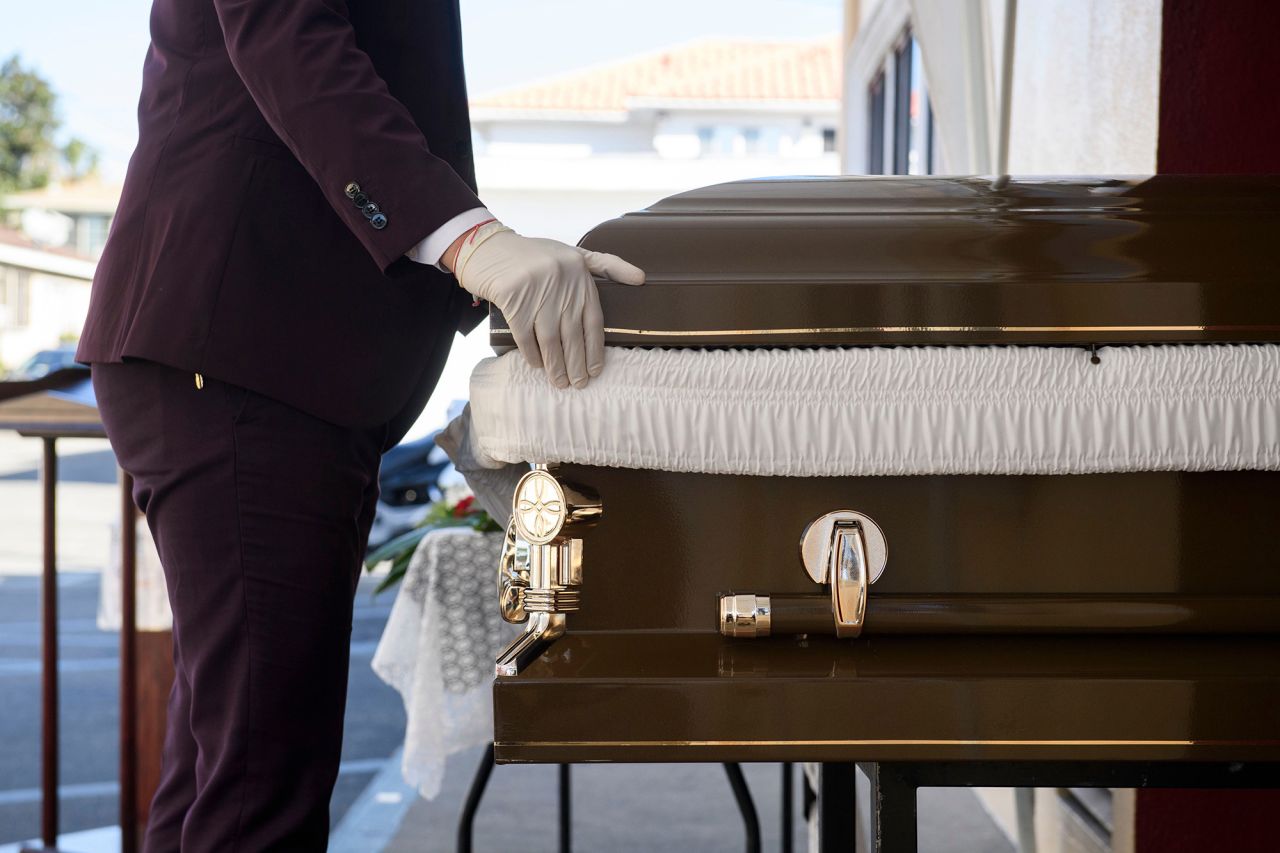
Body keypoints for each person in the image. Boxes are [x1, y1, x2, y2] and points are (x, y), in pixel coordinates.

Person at [74, 1, 644, 850]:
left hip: (265, 360)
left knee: (227, 778)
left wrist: (486, 257)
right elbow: (286, 35)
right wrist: (472, 242)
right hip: (245, 350)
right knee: (257, 791)